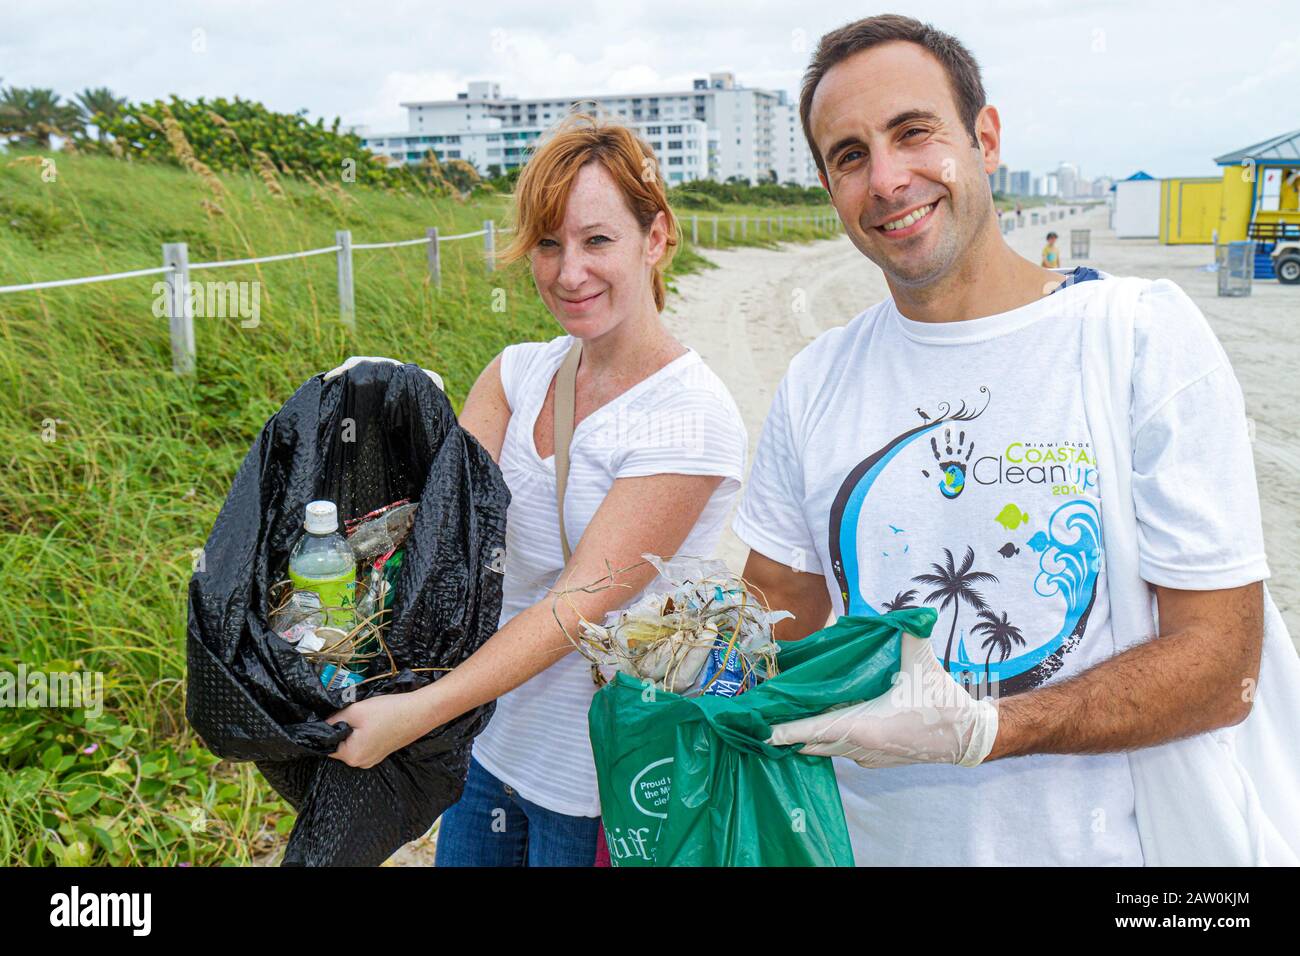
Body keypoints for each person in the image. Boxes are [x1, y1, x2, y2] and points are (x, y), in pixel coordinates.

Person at [735, 13, 1299, 865]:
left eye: (913, 132)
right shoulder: (817, 381)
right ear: (829, 187)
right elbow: (772, 624)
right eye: (850, 155)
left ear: (985, 138)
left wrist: (986, 730)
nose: (887, 179)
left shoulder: (1137, 337)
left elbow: (1223, 668)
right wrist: (682, 656)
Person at [324, 114, 747, 866]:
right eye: (548, 243)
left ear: (655, 240)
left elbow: (577, 606)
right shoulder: (517, 374)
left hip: (606, 781)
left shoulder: (691, 415)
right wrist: (375, 415)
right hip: (488, 750)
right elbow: (437, 535)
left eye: (597, 240)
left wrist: (417, 713)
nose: (567, 271)